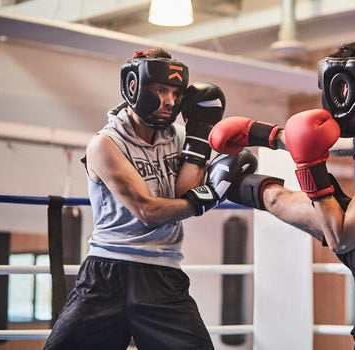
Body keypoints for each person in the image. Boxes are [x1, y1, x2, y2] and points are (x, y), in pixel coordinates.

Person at [209, 40, 355, 349]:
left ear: (345, 87)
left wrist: (309, 166)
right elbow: (323, 141)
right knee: (275, 199)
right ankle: (219, 178)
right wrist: (261, 134)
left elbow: (341, 238)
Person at [44, 48, 257, 350]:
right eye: (161, 90)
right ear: (134, 87)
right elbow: (148, 211)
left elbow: (183, 196)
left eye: (175, 92)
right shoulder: (105, 144)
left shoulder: (180, 137)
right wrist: (203, 201)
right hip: (108, 274)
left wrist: (199, 140)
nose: (170, 101)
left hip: (164, 277)